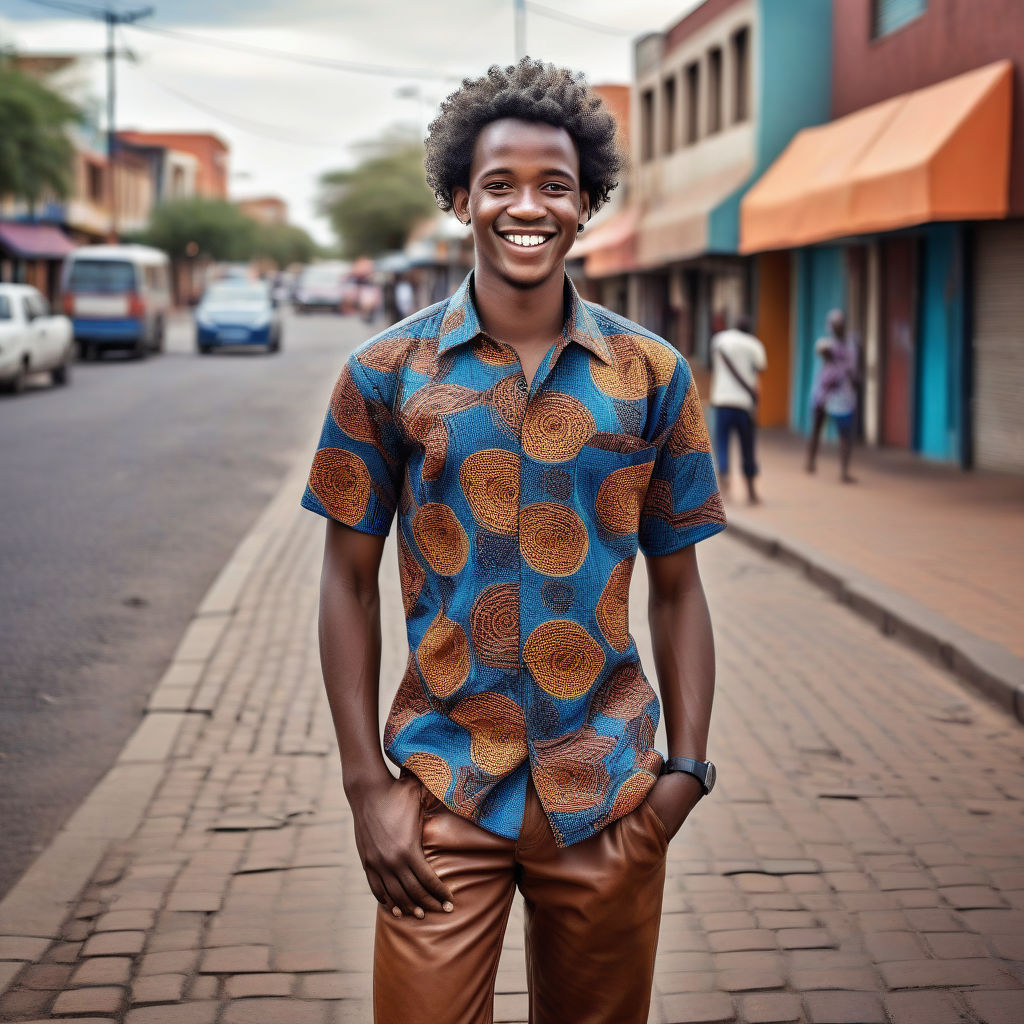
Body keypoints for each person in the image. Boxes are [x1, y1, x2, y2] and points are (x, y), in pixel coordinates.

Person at [301, 57, 726, 1024]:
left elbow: (679, 587)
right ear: (460, 197)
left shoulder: (653, 376)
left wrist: (684, 778)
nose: (525, 206)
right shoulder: (384, 373)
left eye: (554, 186)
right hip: (445, 796)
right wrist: (367, 785)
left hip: (609, 794)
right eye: (499, 183)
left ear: (588, 206)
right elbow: (346, 581)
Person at [709, 313, 766, 504]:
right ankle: (750, 491)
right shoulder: (754, 345)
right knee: (747, 447)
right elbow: (759, 374)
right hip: (743, 404)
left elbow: (713, 365)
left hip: (721, 401)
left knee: (722, 444)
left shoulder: (720, 340)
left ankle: (724, 488)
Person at [806, 308, 859, 483]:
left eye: (841, 324)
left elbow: (854, 369)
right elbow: (822, 350)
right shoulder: (827, 344)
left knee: (845, 434)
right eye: (835, 325)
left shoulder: (852, 344)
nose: (839, 327)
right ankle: (810, 461)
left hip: (844, 394)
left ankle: (844, 471)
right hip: (824, 392)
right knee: (816, 427)